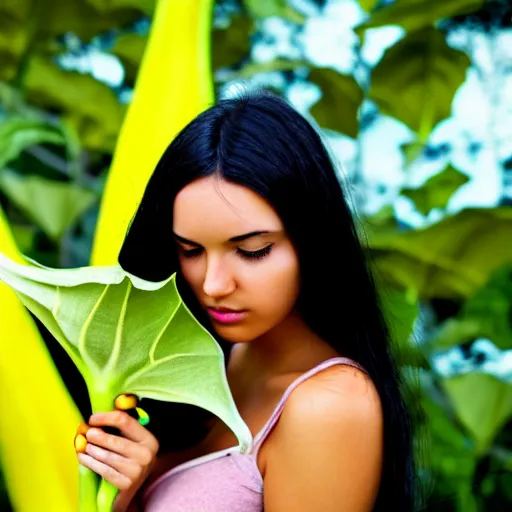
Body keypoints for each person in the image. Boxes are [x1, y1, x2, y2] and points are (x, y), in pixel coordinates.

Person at [76, 92, 417, 511]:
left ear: (312, 241)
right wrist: (123, 489)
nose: (214, 285)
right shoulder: (201, 359)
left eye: (252, 250)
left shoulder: (329, 406)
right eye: (191, 250)